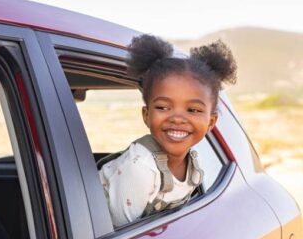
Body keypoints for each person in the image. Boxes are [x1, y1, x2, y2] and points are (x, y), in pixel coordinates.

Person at [99, 34, 237, 227]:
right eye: (163, 107)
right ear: (146, 115)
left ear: (211, 122)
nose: (177, 118)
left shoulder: (193, 165)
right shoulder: (140, 168)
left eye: (193, 110)